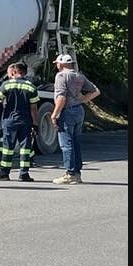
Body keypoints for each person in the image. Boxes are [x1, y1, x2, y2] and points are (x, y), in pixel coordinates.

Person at [0, 61, 41, 181]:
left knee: (7, 147)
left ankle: (4, 173)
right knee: (25, 147)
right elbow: (33, 108)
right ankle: (24, 174)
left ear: (14, 72)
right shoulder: (31, 87)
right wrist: (35, 124)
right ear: (25, 72)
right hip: (25, 121)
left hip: (9, 121)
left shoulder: (6, 85)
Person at [49, 52, 99, 184]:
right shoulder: (79, 76)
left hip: (67, 112)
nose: (57, 65)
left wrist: (54, 114)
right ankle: (77, 173)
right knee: (75, 142)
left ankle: (70, 174)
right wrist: (83, 100)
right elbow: (96, 91)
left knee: (66, 144)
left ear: (62, 64)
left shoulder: (61, 76)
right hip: (78, 111)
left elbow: (61, 97)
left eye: (57, 63)